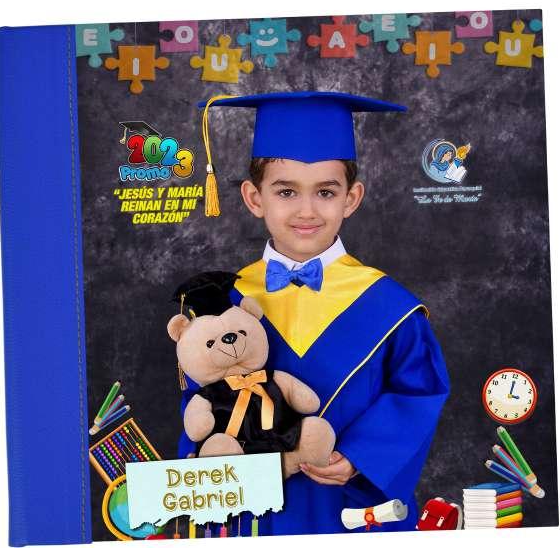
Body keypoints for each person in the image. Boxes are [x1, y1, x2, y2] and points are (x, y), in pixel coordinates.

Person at [178, 92, 450, 536]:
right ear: (254, 197)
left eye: (326, 192)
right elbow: (200, 400)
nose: (306, 211)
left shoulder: (391, 306)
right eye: (286, 191)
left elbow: (417, 393)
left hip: (347, 510)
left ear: (351, 198)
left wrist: (362, 457)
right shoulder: (223, 304)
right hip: (252, 515)